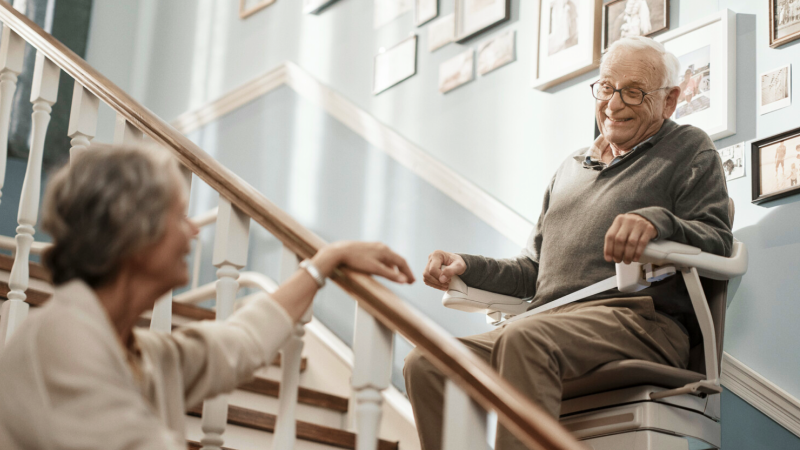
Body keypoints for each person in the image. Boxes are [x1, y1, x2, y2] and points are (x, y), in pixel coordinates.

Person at [404, 36, 732, 450]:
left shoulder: (689, 149)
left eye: (633, 92)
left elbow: (718, 240)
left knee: (521, 338)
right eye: (607, 88)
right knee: (428, 362)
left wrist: (658, 222)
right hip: (549, 323)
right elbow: (532, 270)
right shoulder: (571, 168)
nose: (613, 105)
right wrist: (467, 266)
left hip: (639, 320)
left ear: (668, 102)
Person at [0, 145, 415, 449]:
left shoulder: (141, 354)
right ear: (134, 232)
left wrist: (325, 263)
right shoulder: (60, 342)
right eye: (180, 216)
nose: (195, 232)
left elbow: (239, 342)